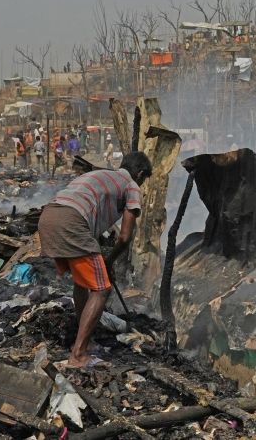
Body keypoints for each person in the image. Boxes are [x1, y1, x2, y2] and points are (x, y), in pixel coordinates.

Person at [37, 152, 152, 368]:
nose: (142, 185)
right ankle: (78, 355)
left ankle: (85, 342)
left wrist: (104, 262)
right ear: (140, 174)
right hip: (72, 221)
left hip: (48, 217)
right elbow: (125, 237)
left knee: (82, 283)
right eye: (144, 180)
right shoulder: (131, 185)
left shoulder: (100, 176)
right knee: (102, 290)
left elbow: (91, 220)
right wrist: (109, 261)